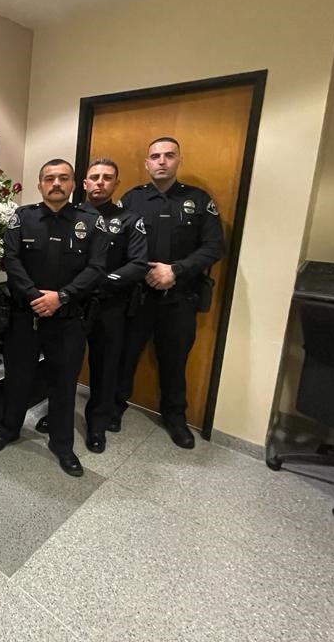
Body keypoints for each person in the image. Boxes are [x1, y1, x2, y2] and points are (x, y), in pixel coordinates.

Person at [0, 159, 107, 476]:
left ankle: (62, 445)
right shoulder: (22, 217)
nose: (56, 183)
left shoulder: (91, 221)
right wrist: (35, 297)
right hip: (26, 315)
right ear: (40, 185)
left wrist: (61, 297)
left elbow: (96, 268)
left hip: (68, 318)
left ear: (73, 184)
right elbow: (11, 259)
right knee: (17, 377)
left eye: (63, 178)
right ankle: (9, 429)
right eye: (49, 178)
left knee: (63, 383)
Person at [113, 137, 225, 449]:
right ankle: (115, 407)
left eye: (168, 155)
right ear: (147, 163)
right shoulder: (132, 199)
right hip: (136, 296)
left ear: (179, 161)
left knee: (175, 361)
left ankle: (175, 418)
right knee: (125, 355)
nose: (161, 161)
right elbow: (115, 243)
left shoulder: (198, 200)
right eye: (155, 156)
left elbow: (215, 247)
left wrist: (175, 270)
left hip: (179, 298)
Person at [36, 159, 148, 453]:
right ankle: (56, 416)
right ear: (83, 183)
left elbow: (138, 264)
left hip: (108, 305)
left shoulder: (128, 219)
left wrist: (98, 281)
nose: (100, 182)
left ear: (116, 184)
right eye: (94, 177)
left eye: (107, 178)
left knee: (105, 367)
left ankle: (98, 424)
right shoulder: (68, 215)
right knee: (62, 367)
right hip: (71, 305)